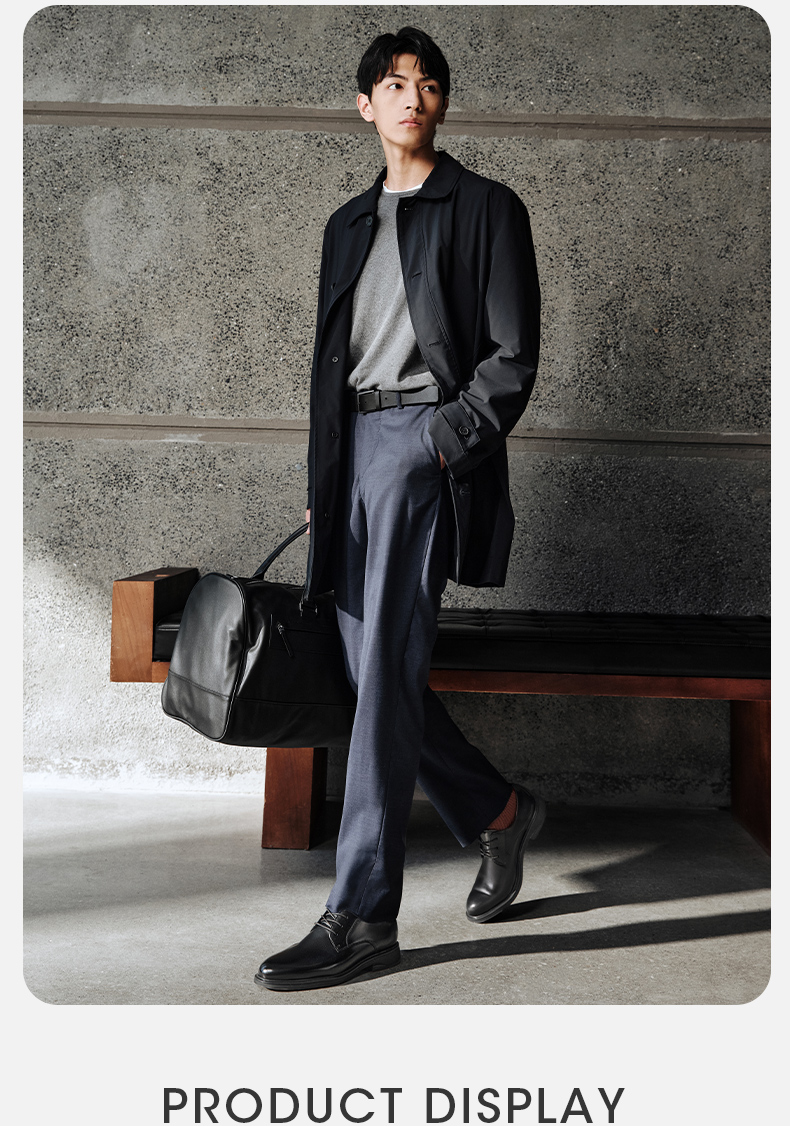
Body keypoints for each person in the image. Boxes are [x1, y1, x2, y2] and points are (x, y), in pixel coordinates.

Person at [256, 26, 542, 992]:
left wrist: (438, 444)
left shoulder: (488, 208)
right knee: (361, 670)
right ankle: (500, 812)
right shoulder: (346, 223)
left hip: (421, 449)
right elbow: (330, 366)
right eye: (393, 83)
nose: (412, 97)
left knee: (381, 672)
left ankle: (363, 916)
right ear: (365, 105)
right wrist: (328, 474)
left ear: (442, 104)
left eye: (428, 84)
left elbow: (511, 356)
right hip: (352, 454)